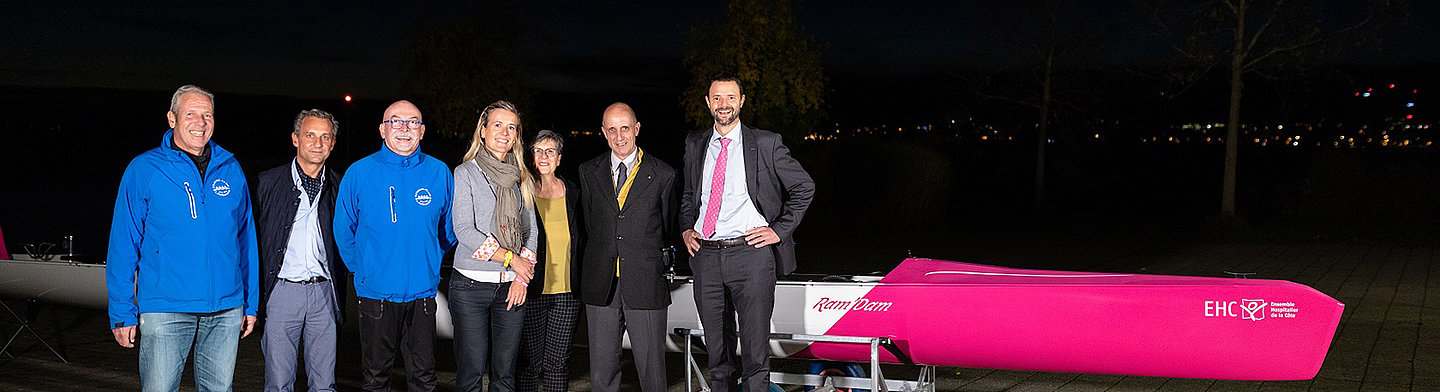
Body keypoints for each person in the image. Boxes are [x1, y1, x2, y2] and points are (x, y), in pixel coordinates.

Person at [106, 84, 260, 392]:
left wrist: (249, 303)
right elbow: (124, 243)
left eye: (207, 115)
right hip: (166, 307)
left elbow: (245, 240)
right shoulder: (145, 169)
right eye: (190, 114)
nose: (200, 123)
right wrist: (122, 311)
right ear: (172, 119)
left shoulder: (230, 168)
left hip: (225, 307)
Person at [681, 75, 815, 392]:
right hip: (705, 257)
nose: (723, 104)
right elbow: (689, 195)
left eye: (730, 97)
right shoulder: (696, 144)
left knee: (755, 356)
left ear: (741, 101)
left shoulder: (765, 143)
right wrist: (686, 228)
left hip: (751, 257)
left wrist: (778, 231)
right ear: (708, 102)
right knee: (718, 358)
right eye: (717, 97)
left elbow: (804, 187)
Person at [334, 100, 457, 392]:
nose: (404, 128)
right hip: (376, 294)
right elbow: (343, 229)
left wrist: (428, 259)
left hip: (423, 294)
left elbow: (449, 229)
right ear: (382, 129)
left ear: (422, 131)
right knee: (376, 378)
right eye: (396, 121)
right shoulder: (359, 172)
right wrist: (364, 269)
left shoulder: (439, 172)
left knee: (424, 378)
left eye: (413, 122)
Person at [578, 103, 677, 392]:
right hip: (602, 283)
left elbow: (668, 226)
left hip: (646, 281)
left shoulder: (663, 174)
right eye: (612, 129)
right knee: (602, 372)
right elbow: (590, 225)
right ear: (603, 132)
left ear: (637, 128)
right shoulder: (588, 171)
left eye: (624, 128)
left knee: (652, 371)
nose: (619, 136)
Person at [450, 100, 539, 392]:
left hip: (512, 288)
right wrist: (512, 260)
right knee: (471, 374)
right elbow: (464, 230)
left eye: (511, 127)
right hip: (470, 287)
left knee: (505, 375)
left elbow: (531, 232)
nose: (504, 132)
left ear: (517, 136)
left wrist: (521, 278)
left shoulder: (521, 176)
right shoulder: (465, 172)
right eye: (498, 125)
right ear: (483, 130)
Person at [255, 109, 346, 392]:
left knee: (324, 384)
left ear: (332, 144)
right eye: (310, 135)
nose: (318, 143)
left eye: (325, 137)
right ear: (295, 139)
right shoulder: (267, 182)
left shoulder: (340, 185)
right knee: (279, 383)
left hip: (324, 292)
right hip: (282, 292)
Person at [516, 130, 585, 392]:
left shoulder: (574, 193)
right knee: (529, 362)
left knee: (558, 362)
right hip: (531, 289)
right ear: (530, 156)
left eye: (550, 151)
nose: (543, 156)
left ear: (559, 158)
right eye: (538, 150)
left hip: (567, 294)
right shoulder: (520, 192)